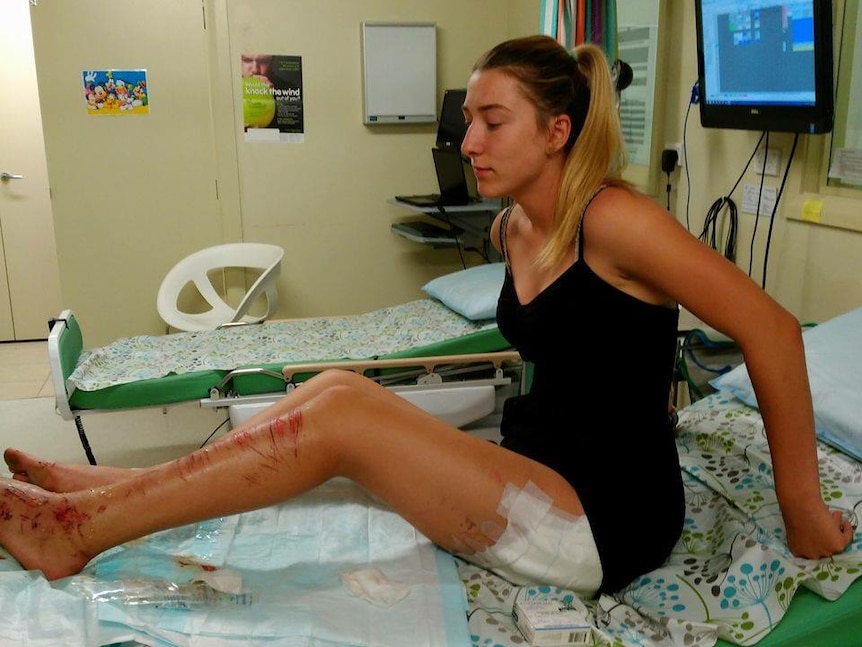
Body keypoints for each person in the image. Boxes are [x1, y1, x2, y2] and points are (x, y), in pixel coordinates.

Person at [0, 35, 852, 596]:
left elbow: (771, 328)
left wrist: (801, 505)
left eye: (491, 121)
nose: (467, 140)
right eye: (466, 120)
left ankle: (78, 532)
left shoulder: (616, 217)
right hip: (537, 473)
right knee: (335, 389)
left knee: (342, 413)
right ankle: (112, 489)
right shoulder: (516, 224)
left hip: (603, 520)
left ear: (557, 130)